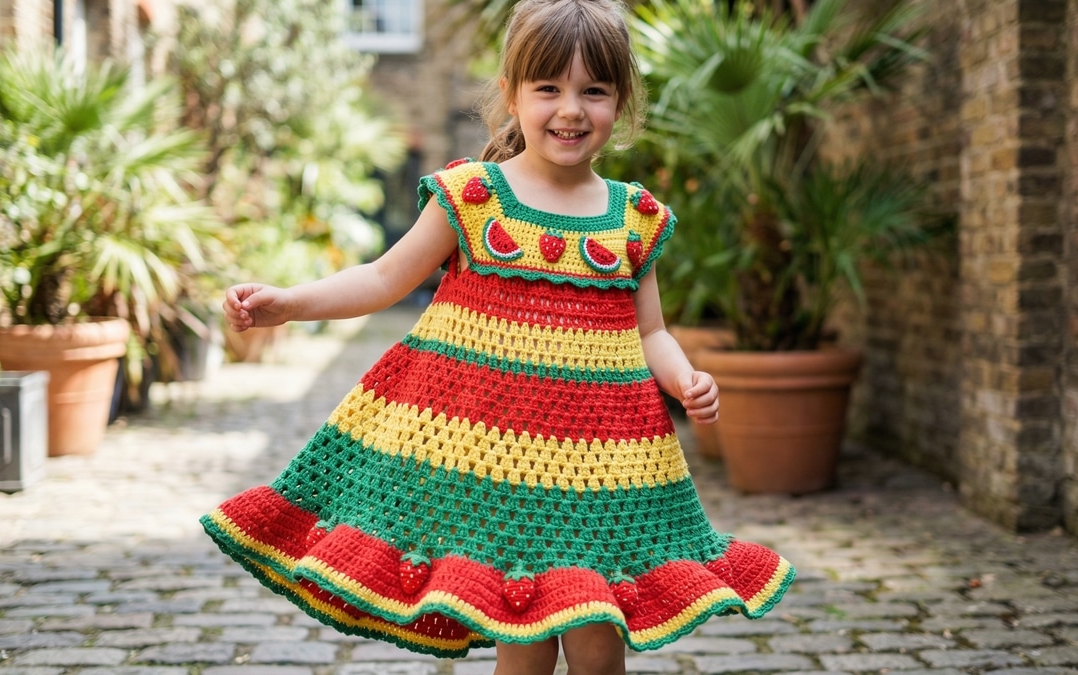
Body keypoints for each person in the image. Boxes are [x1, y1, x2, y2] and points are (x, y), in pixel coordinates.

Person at [202, 1, 793, 673]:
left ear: (620, 103)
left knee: (599, 641)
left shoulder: (631, 218)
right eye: (549, 88)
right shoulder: (472, 198)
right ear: (512, 94)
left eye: (593, 91)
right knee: (523, 636)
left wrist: (684, 376)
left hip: (602, 473)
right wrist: (290, 304)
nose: (571, 109)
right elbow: (383, 277)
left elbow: (650, 330)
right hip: (504, 471)